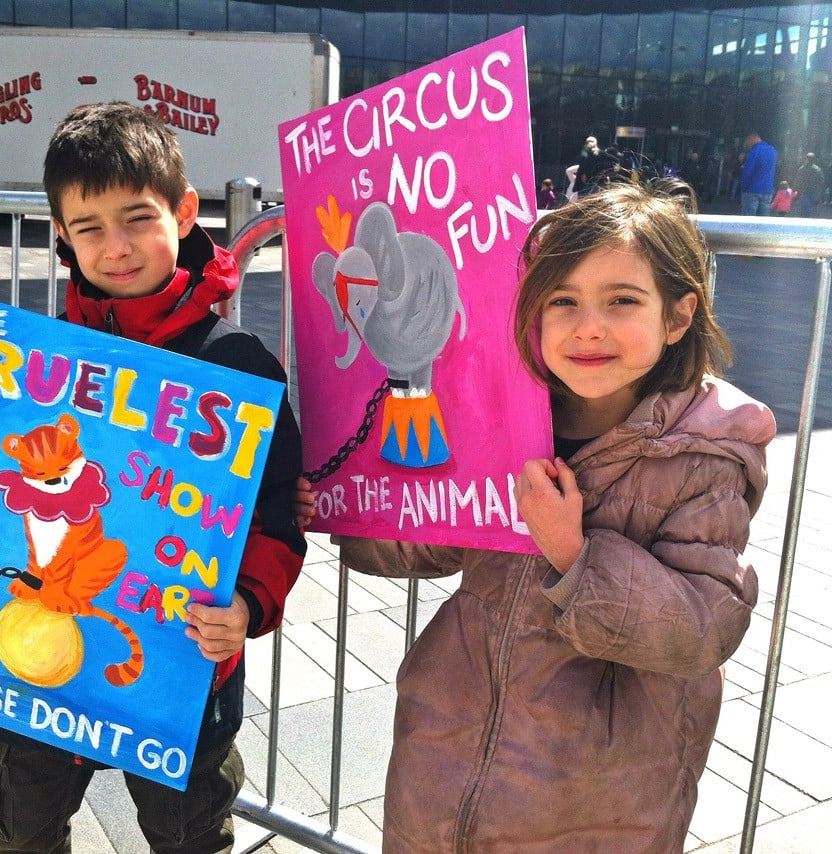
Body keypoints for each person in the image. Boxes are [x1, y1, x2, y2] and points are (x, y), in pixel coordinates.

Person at [0, 101, 307, 854]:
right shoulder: (34, 367)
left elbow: (276, 519)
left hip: (182, 672)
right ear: (63, 239)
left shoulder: (239, 369)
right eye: (90, 227)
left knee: (189, 834)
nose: (117, 247)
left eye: (137, 218)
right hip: (36, 680)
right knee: (25, 829)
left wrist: (247, 603)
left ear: (185, 211)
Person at [295, 181, 775, 851]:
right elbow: (432, 537)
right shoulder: (505, 416)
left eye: (622, 301)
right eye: (563, 300)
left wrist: (578, 558)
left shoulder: (702, 457)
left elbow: (704, 626)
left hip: (593, 792)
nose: (588, 326)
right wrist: (348, 511)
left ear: (677, 316)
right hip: (446, 751)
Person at [740, 130, 778, 216]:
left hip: (751, 190)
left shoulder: (753, 152)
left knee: (749, 220)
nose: (747, 144)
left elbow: (748, 173)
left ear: (752, 138)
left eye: (747, 141)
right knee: (763, 221)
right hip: (767, 189)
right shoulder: (773, 151)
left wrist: (743, 188)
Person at [795, 152, 825, 217]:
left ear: (806, 159)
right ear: (814, 160)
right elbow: (822, 181)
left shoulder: (802, 169)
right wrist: (820, 192)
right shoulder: (817, 169)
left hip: (804, 192)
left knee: (804, 210)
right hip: (814, 192)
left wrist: (797, 190)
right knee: (813, 210)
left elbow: (798, 180)